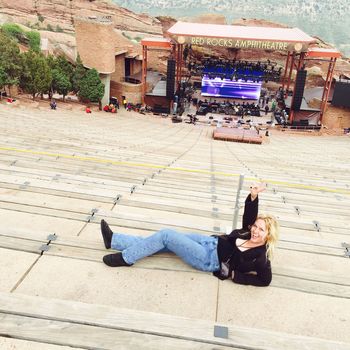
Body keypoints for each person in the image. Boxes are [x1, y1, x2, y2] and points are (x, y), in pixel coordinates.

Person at [100, 184, 279, 287]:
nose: (255, 231)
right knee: (161, 242)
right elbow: (249, 216)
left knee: (166, 236)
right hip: (209, 242)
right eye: (256, 226)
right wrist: (253, 196)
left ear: (268, 236)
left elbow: (265, 280)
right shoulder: (249, 231)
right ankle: (114, 240)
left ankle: (126, 258)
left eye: (261, 230)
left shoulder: (261, 257)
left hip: (208, 259)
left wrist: (236, 276)